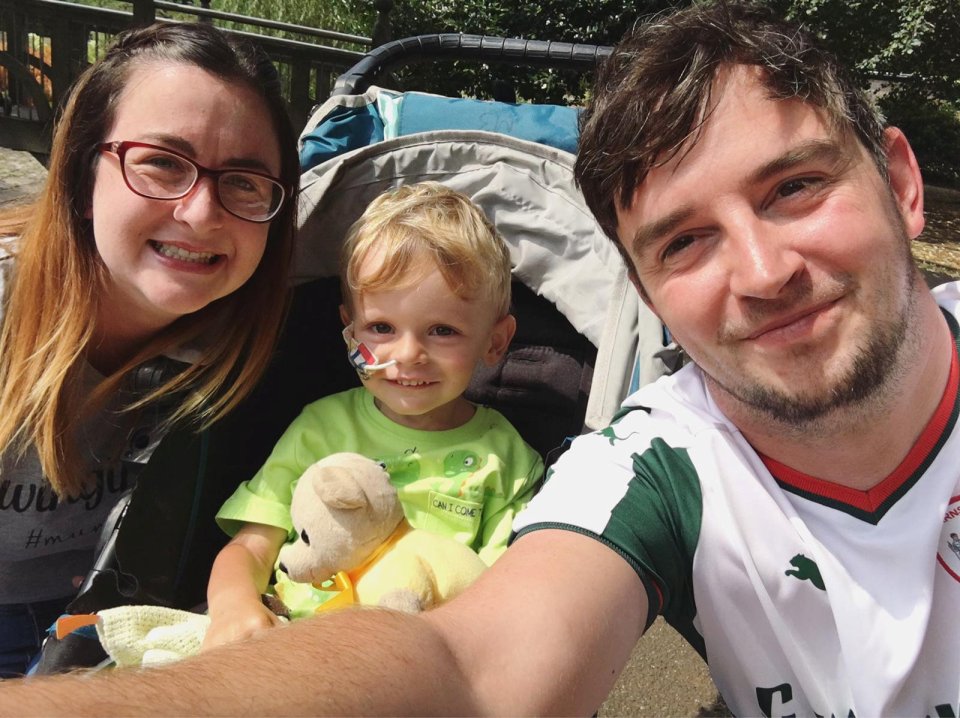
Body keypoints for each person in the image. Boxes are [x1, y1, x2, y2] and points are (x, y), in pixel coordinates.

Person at [2, 2, 957, 714]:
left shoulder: (233, 351)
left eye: (794, 187)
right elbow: (472, 670)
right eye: (684, 241)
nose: (761, 272)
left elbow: (484, 629)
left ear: (903, 183)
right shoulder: (661, 466)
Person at [0, 21, 299, 678]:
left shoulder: (259, 346)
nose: (200, 213)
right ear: (81, 177)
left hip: (111, 619)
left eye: (245, 181)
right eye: (162, 162)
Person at [202, 182, 543, 649]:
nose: (408, 354)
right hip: (291, 642)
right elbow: (250, 547)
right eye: (381, 328)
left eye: (442, 331)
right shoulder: (320, 429)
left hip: (422, 660)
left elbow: (502, 595)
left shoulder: (505, 459)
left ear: (495, 342)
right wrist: (233, 606)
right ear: (350, 329)